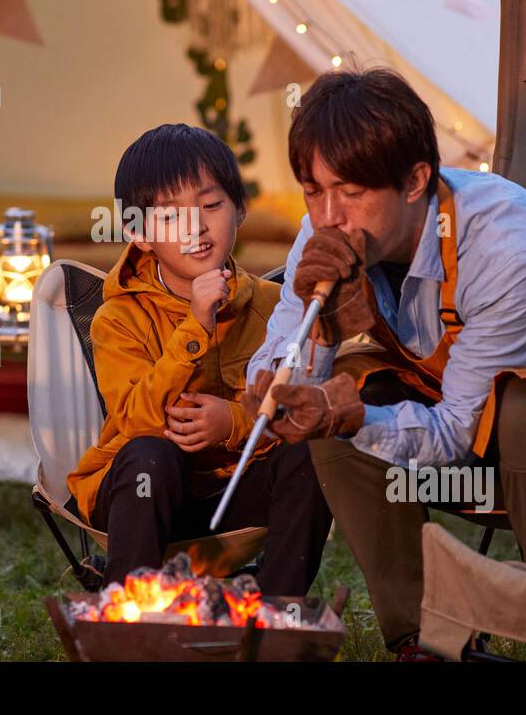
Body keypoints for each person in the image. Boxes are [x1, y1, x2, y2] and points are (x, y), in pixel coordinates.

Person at [246, 68, 526, 657]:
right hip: (458, 397)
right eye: (313, 189)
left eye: (353, 191)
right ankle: (425, 640)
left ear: (416, 180)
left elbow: (460, 437)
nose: (328, 214)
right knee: (336, 401)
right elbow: (275, 378)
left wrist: (356, 419)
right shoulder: (324, 229)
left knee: (522, 405)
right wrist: (319, 344)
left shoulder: (511, 250)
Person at [67, 124, 333, 594]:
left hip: (235, 493)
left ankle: (276, 611)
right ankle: (128, 619)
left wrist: (232, 421)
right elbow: (136, 420)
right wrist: (195, 326)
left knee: (313, 448)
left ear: (241, 209)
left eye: (211, 206)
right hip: (146, 496)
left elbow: (300, 404)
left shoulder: (275, 305)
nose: (195, 228)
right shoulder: (117, 317)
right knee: (149, 454)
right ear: (138, 232)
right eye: (170, 217)